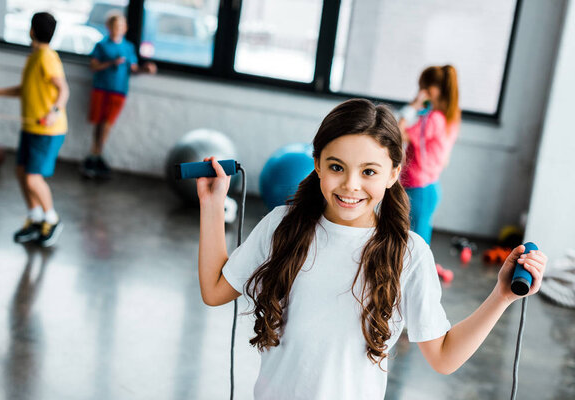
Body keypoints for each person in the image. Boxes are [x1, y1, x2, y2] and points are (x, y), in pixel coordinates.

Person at [196, 99, 547, 400]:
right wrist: (212, 205)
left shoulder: (409, 254)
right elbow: (214, 290)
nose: (350, 185)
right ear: (317, 163)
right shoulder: (281, 225)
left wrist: (502, 295)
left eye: (368, 171)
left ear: (393, 173)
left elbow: (444, 357)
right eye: (337, 167)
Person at [0, 12, 69, 247]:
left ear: (32, 30)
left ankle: (52, 219)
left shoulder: (47, 57)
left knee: (32, 178)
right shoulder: (35, 57)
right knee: (21, 172)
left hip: (48, 130)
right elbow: (25, 90)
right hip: (31, 127)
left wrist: (54, 112)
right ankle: (36, 218)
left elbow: (63, 89)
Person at [81, 12, 157, 179]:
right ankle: (95, 155)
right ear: (109, 27)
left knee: (107, 124)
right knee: (99, 123)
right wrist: (110, 63)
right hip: (101, 88)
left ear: (125, 29)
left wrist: (146, 69)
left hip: (119, 91)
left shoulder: (128, 48)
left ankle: (95, 155)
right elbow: (93, 66)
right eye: (115, 26)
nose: (118, 29)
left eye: (121, 27)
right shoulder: (101, 46)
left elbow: (134, 69)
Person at [398, 65, 461, 244]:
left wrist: (412, 106)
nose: (421, 92)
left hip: (420, 188)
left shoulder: (434, 120)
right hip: (425, 186)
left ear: (434, 90)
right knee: (415, 239)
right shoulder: (448, 118)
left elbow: (397, 132)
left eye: (424, 87)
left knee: (416, 243)